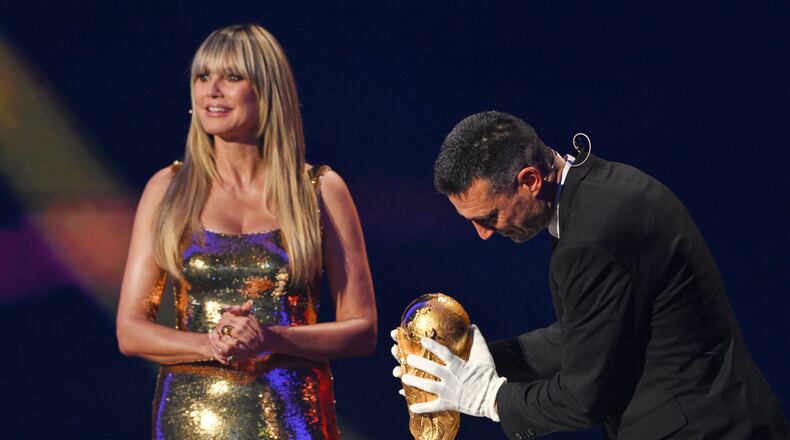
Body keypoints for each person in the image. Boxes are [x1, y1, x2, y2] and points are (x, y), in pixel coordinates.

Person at [392, 111, 788, 439]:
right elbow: (590, 334)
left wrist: (489, 398)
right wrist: (470, 359)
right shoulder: (599, 194)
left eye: (489, 217)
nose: (483, 234)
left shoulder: (591, 237)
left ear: (530, 181)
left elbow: (584, 396)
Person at [116, 24, 376, 439]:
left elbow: (362, 330)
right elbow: (130, 331)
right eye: (203, 77)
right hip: (192, 418)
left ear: (268, 92)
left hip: (292, 417)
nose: (212, 90)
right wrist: (212, 343)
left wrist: (270, 338)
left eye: (232, 77)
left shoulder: (320, 190)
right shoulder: (168, 189)